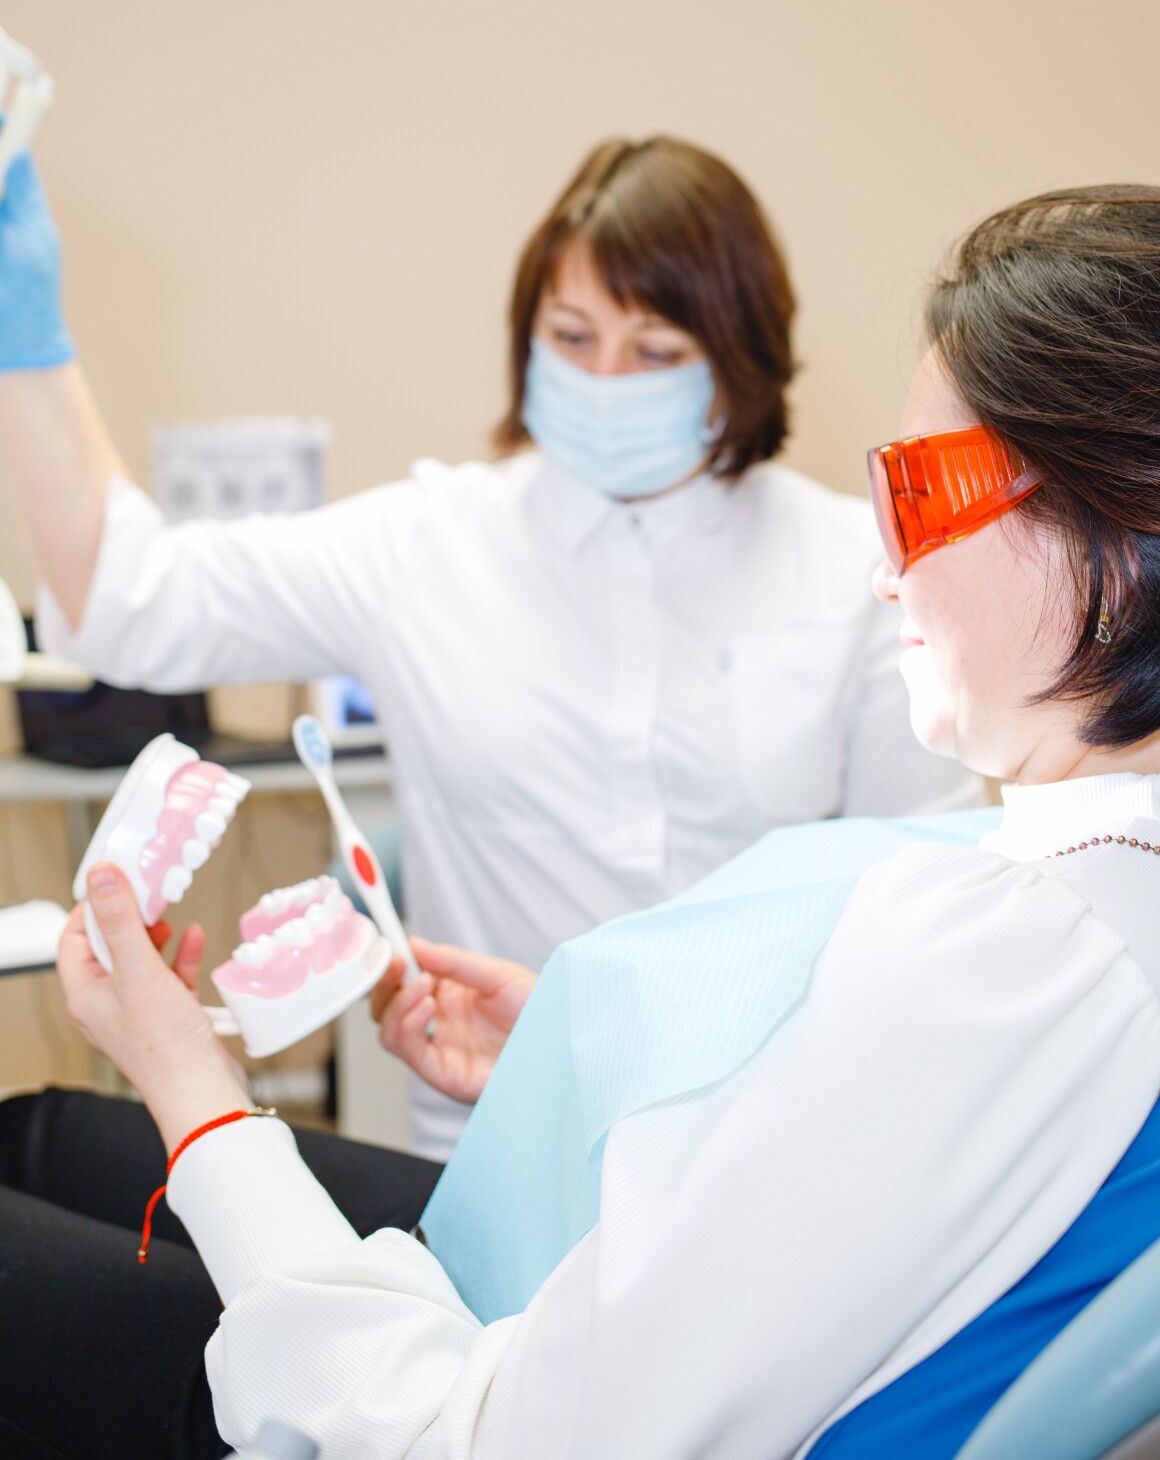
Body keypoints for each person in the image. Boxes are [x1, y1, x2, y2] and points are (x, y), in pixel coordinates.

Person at [3, 180, 1160, 1460]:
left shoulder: (982, 956)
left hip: (537, 1334)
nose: (888, 569)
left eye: (919, 496)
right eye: (570, 335)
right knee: (36, 1139)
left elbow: (465, 1434)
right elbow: (134, 596)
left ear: (1120, 531)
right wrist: (578, 1058)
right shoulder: (1070, 886)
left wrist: (185, 1073)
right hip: (603, 1181)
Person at [0, 137, 978, 1157]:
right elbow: (129, 600)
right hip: (490, 1137)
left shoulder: (854, 569)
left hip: (759, 1139)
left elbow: (925, 880)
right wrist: (28, 345)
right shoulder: (426, 548)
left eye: (654, 351)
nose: (604, 379)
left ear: (741, 359)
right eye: (571, 335)